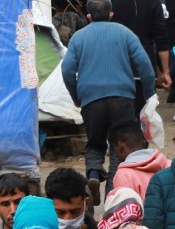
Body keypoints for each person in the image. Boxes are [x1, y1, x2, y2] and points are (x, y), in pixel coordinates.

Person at [62, 0, 155, 206]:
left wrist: (77, 96)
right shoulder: (125, 33)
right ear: (111, 14)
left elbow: (67, 70)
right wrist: (149, 95)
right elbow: (145, 66)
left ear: (88, 16)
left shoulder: (79, 37)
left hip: (91, 101)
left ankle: (93, 174)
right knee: (118, 147)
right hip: (122, 99)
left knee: (94, 144)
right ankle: (113, 196)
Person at [111, 0, 172, 107]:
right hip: (144, 63)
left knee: (118, 109)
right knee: (144, 110)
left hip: (117, 63)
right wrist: (165, 71)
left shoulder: (110, 3)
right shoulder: (153, 2)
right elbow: (161, 37)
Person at [110, 122, 170, 200]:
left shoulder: (124, 175)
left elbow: (126, 205)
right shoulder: (170, 164)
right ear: (144, 142)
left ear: (120, 146)